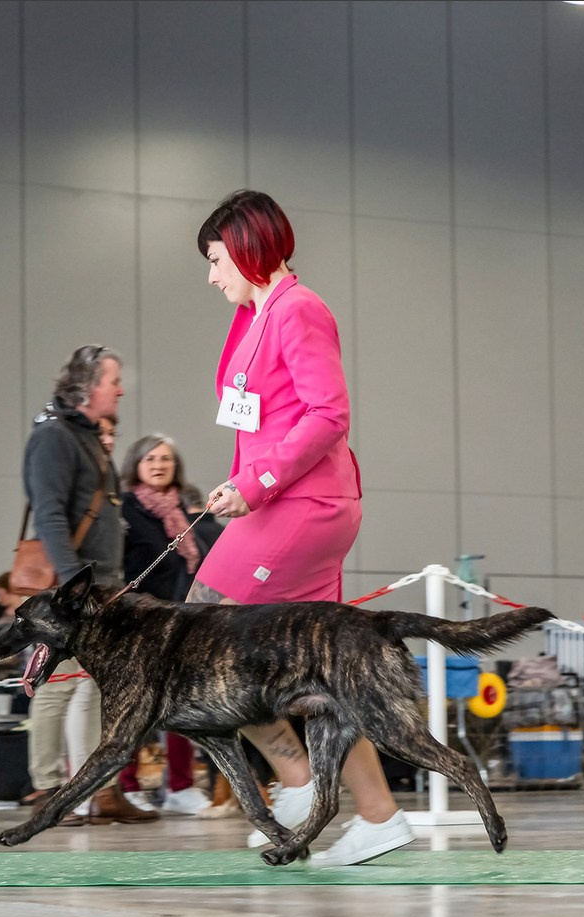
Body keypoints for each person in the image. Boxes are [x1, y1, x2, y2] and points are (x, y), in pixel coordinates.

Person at [186, 190, 416, 866]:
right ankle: (378, 817)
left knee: (201, 637)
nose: (211, 274)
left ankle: (298, 780)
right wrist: (241, 484)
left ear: (250, 249)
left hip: (303, 506)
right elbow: (256, 418)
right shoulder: (255, 314)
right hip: (284, 503)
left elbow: (327, 414)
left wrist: (255, 486)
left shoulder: (298, 309)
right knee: (312, 669)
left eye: (216, 258)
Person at [22, 344, 155, 825]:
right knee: (65, 688)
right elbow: (51, 515)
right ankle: (68, 793)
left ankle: (91, 792)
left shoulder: (80, 435)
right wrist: (71, 591)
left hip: (94, 588)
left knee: (90, 690)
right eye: (113, 380)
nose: (120, 389)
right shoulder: (55, 437)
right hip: (75, 593)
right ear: (87, 387)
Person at [116, 435, 220, 815]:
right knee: (131, 709)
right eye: (150, 459)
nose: (158, 465)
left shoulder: (183, 511)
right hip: (136, 622)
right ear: (136, 465)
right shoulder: (126, 508)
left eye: (165, 459)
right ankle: (127, 785)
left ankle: (180, 784)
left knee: (181, 705)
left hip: (180, 619)